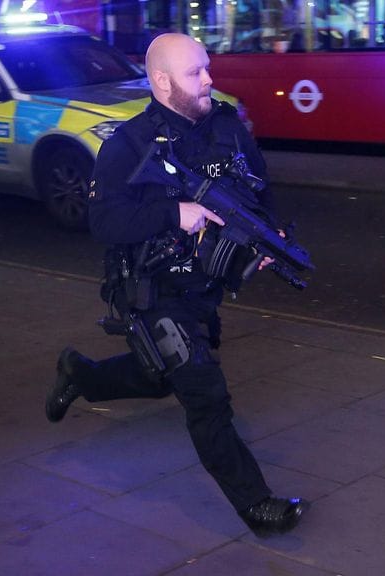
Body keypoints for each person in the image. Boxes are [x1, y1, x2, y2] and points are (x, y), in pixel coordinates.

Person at [44, 33, 308, 536]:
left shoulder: (227, 127)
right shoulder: (127, 145)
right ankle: (257, 506)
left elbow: (259, 187)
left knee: (157, 377)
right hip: (153, 287)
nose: (209, 79)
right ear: (162, 82)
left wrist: (268, 231)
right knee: (204, 392)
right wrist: (173, 212)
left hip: (202, 285)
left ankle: (80, 375)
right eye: (195, 73)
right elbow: (103, 222)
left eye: (207, 68)